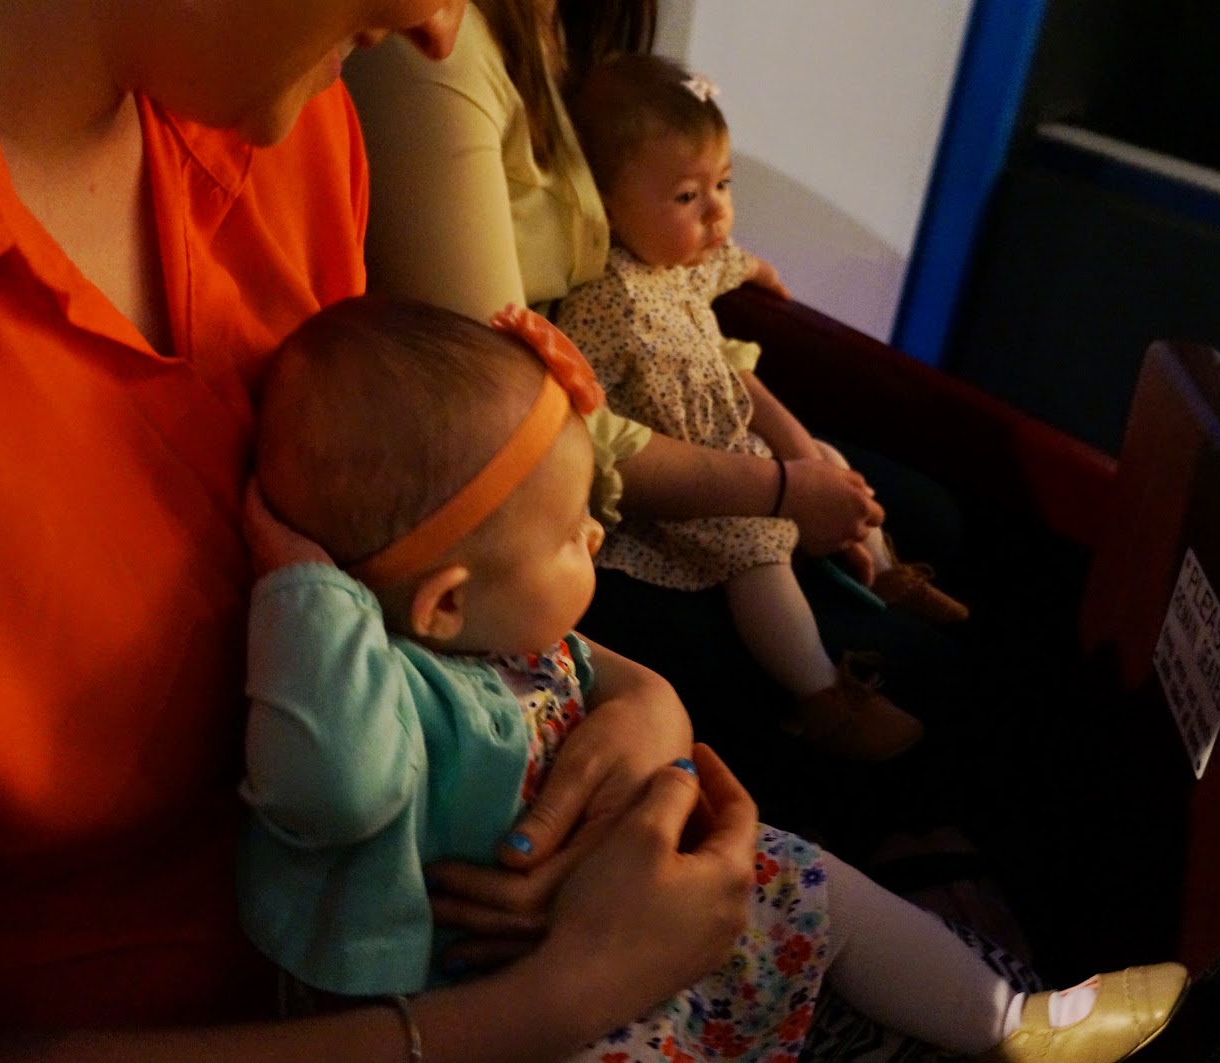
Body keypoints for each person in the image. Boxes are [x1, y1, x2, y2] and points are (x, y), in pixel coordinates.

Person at [0, 1, 768, 1059]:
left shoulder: (288, 130)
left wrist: (634, 698)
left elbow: (386, 582)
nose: (439, 31)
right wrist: (556, 999)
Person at [238, 292, 1191, 1063]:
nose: (597, 536)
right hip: (493, 1007)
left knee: (805, 873)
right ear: (446, 602)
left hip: (618, 916)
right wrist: (307, 587)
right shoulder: (389, 696)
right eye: (570, 534)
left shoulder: (514, 638)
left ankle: (1011, 1020)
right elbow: (334, 787)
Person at [345, 0, 977, 850]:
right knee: (919, 665)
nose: (715, 205)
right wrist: (779, 490)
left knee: (934, 513)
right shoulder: (433, 51)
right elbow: (513, 419)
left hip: (641, 414)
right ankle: (831, 716)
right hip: (553, 473)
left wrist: (786, 432)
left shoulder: (566, 31)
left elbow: (690, 287)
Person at [551, 52, 975, 762]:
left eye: (723, 184)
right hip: (679, 486)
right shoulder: (604, 299)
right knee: (757, 551)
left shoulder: (680, 263)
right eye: (687, 196)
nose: (716, 211)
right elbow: (580, 404)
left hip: (730, 441)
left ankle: (885, 573)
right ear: (607, 203)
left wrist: (756, 268)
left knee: (827, 458)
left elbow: (727, 259)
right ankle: (822, 695)